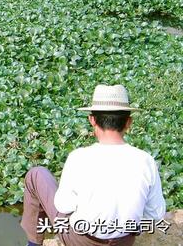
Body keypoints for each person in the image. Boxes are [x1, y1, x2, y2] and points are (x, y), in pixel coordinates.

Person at [20, 84, 166, 246]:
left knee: (36, 174)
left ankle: (33, 244)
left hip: (80, 240)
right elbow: (156, 214)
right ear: (128, 122)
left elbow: (63, 205)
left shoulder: (79, 157)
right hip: (124, 241)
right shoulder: (146, 160)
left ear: (92, 120)